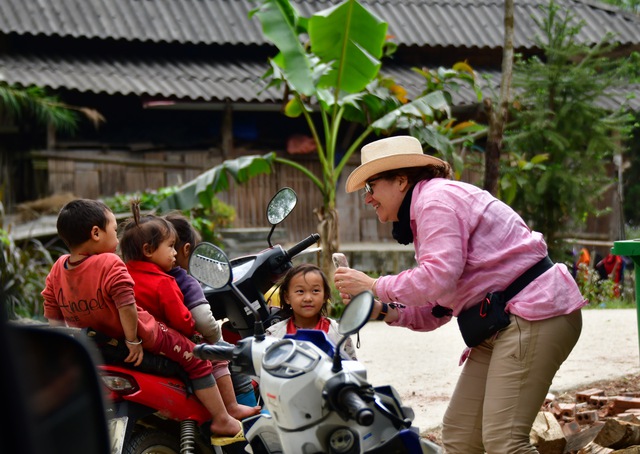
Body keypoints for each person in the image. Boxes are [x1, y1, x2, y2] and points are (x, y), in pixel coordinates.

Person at [333, 135, 586, 453]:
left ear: (400, 180)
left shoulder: (435, 201)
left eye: (370, 188)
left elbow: (436, 279)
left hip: (534, 311)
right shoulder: (427, 209)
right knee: (461, 436)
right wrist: (382, 310)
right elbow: (437, 307)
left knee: (504, 441)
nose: (367, 199)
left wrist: (372, 285)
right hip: (503, 323)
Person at [41, 199, 245, 440]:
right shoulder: (109, 262)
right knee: (198, 358)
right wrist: (133, 340)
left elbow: (51, 310)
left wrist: (64, 344)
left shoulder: (58, 268)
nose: (116, 240)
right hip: (148, 334)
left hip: (100, 344)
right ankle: (222, 419)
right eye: (114, 230)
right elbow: (126, 303)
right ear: (96, 233)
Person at [118, 203, 261, 425]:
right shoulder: (166, 281)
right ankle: (227, 412)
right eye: (170, 247)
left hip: (140, 341)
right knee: (216, 355)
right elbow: (183, 320)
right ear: (148, 250)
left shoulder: (124, 275)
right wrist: (196, 331)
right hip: (166, 340)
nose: (174, 253)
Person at [165, 211, 258, 407]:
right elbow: (205, 321)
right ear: (187, 250)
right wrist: (218, 338)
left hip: (163, 343)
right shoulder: (184, 279)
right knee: (234, 356)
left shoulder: (145, 275)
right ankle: (248, 414)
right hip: (188, 344)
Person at [266, 263, 357, 360]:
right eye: (300, 291)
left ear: (325, 296)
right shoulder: (273, 335)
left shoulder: (339, 334)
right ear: (287, 297)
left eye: (315, 291)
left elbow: (352, 369)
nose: (308, 298)